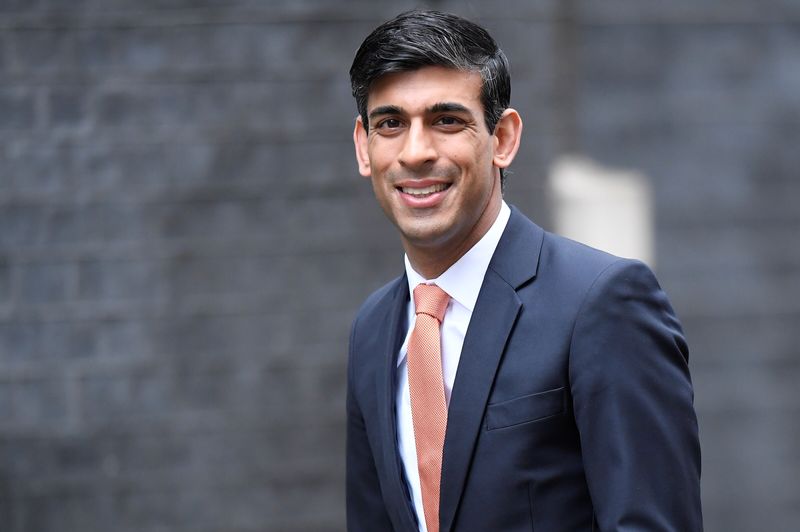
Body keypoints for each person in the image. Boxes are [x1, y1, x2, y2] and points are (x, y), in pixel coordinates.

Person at [346, 10, 702, 532]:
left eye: (447, 120)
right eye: (391, 124)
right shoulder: (374, 329)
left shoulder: (602, 303)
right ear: (364, 146)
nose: (416, 152)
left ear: (504, 139)